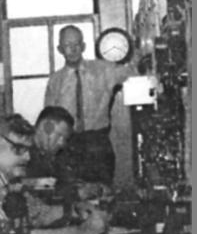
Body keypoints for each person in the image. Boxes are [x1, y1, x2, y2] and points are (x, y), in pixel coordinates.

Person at [0, 113, 108, 234]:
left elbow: (41, 213)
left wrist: (75, 210)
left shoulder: (9, 180)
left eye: (28, 150)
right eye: (19, 149)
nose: (27, 157)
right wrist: (83, 231)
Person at [44, 25, 136, 185]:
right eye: (67, 45)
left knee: (102, 196)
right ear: (60, 49)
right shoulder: (55, 81)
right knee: (71, 196)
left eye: (77, 44)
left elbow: (131, 73)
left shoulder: (103, 70)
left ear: (84, 46)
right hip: (68, 146)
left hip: (98, 145)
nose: (72, 49)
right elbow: (49, 120)